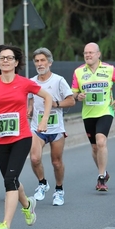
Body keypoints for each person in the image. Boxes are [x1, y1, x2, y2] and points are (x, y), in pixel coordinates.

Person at [0, 44, 52, 229]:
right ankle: (27, 205)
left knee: (9, 180)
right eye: (2, 58)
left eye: (9, 58)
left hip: (22, 137)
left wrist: (43, 121)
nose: (5, 61)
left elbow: (48, 97)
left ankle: (5, 227)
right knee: (13, 180)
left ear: (16, 62)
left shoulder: (24, 83)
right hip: (0, 139)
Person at [71, 42, 115, 191]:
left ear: (98, 54)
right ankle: (104, 171)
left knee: (101, 141)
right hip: (88, 114)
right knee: (95, 147)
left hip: (105, 111)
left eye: (91, 52)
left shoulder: (109, 69)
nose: (88, 55)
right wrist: (78, 96)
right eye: (85, 53)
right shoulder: (78, 72)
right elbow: (73, 92)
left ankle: (101, 178)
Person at [28, 47, 75, 206]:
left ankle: (59, 190)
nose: (40, 64)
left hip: (55, 129)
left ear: (50, 62)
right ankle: (42, 183)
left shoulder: (58, 80)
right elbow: (30, 99)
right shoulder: (31, 81)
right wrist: (30, 107)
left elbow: (71, 100)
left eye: (42, 60)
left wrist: (55, 103)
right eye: (37, 61)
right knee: (34, 158)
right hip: (36, 127)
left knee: (56, 162)